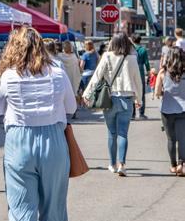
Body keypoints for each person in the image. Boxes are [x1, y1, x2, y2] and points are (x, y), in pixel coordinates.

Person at [0, 27, 76, 221]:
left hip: (18, 140)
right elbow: (71, 107)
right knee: (53, 202)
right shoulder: (57, 73)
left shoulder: (9, 76)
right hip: (53, 140)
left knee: (21, 205)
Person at [83, 32, 142, 177]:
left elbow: (97, 76)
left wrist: (87, 94)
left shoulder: (107, 56)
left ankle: (112, 164)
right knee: (123, 133)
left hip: (109, 100)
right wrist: (139, 99)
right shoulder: (132, 58)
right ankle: (122, 164)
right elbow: (138, 81)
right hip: (127, 99)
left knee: (111, 133)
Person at [154, 47, 185, 175]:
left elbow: (157, 92)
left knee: (171, 139)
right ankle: (181, 164)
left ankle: (173, 165)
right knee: (183, 138)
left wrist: (165, 92)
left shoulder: (163, 72)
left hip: (167, 110)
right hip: (183, 109)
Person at [58, 41, 81, 116]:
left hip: (64, 77)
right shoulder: (74, 57)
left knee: (64, 94)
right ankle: (74, 109)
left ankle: (65, 110)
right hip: (73, 77)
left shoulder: (59, 56)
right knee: (73, 93)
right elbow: (77, 68)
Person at [131, 35, 150, 120]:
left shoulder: (130, 49)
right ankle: (141, 113)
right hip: (140, 71)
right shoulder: (143, 50)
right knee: (141, 92)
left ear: (132, 40)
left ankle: (132, 113)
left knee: (132, 92)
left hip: (132, 70)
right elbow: (146, 62)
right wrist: (149, 72)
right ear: (140, 40)